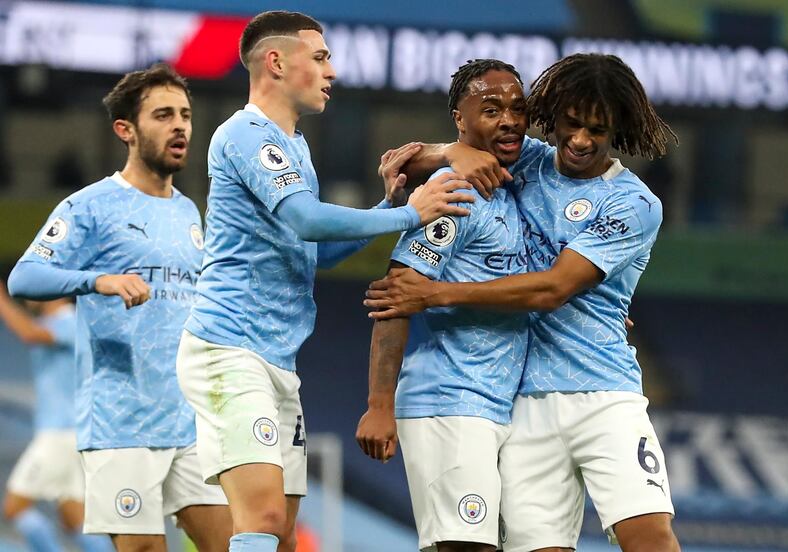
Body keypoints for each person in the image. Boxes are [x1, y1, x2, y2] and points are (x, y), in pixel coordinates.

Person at [175, 11, 475, 552]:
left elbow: (316, 252)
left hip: (277, 359)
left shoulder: (295, 149)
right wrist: (409, 216)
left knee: (285, 535)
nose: (331, 72)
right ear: (276, 62)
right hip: (229, 349)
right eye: (320, 58)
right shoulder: (245, 133)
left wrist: (388, 204)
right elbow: (307, 220)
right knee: (261, 517)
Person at [365, 53, 681, 552]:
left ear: (617, 128)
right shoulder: (528, 160)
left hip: (605, 394)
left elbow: (553, 288)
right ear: (551, 118)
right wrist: (451, 152)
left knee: (648, 536)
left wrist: (435, 294)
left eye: (596, 130)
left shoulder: (633, 203)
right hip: (526, 404)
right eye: (571, 124)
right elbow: (409, 159)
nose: (580, 140)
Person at [7, 64, 231, 552]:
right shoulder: (89, 206)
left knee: (229, 543)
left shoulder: (189, 212)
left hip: (189, 418)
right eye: (163, 114)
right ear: (126, 130)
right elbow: (24, 276)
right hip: (121, 422)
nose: (180, 126)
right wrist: (97, 280)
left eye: (186, 115)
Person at [355, 59, 530, 552]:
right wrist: (378, 406)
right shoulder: (454, 192)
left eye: (518, 108)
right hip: (449, 400)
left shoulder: (518, 185)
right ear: (460, 118)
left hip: (501, 404)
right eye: (491, 109)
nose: (509, 120)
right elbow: (399, 292)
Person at [0, 282, 111, 552]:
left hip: (59, 435)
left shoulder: (69, 321)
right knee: (74, 519)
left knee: (15, 508)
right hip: (68, 434)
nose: (25, 294)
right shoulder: (58, 323)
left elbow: (30, 334)